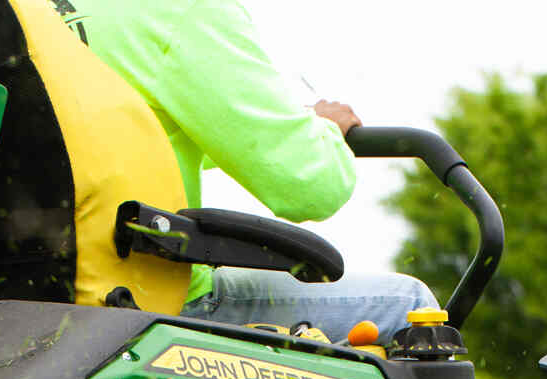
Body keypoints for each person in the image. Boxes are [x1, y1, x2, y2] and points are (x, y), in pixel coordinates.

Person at [53, 0, 437, 342]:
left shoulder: (34, 14)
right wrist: (324, 134)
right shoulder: (182, 11)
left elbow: (119, 133)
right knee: (412, 307)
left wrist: (285, 126)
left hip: (35, 302)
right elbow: (308, 182)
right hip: (147, 305)